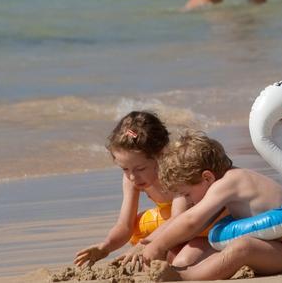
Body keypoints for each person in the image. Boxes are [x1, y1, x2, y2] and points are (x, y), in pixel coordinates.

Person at [134, 131, 282, 279]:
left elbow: (191, 221)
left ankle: (184, 277)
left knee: (243, 246)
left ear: (207, 177)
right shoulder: (222, 181)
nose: (188, 201)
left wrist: (158, 247)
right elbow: (184, 223)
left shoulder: (230, 182)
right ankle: (182, 269)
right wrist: (149, 243)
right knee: (184, 256)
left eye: (187, 194)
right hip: (268, 246)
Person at [75, 112, 194, 269]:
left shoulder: (176, 172)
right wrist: (105, 247)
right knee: (137, 229)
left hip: (195, 220)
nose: (132, 177)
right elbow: (125, 225)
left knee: (177, 259)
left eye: (140, 168)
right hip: (168, 219)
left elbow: (179, 218)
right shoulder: (131, 178)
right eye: (125, 169)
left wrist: (145, 245)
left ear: (161, 154)